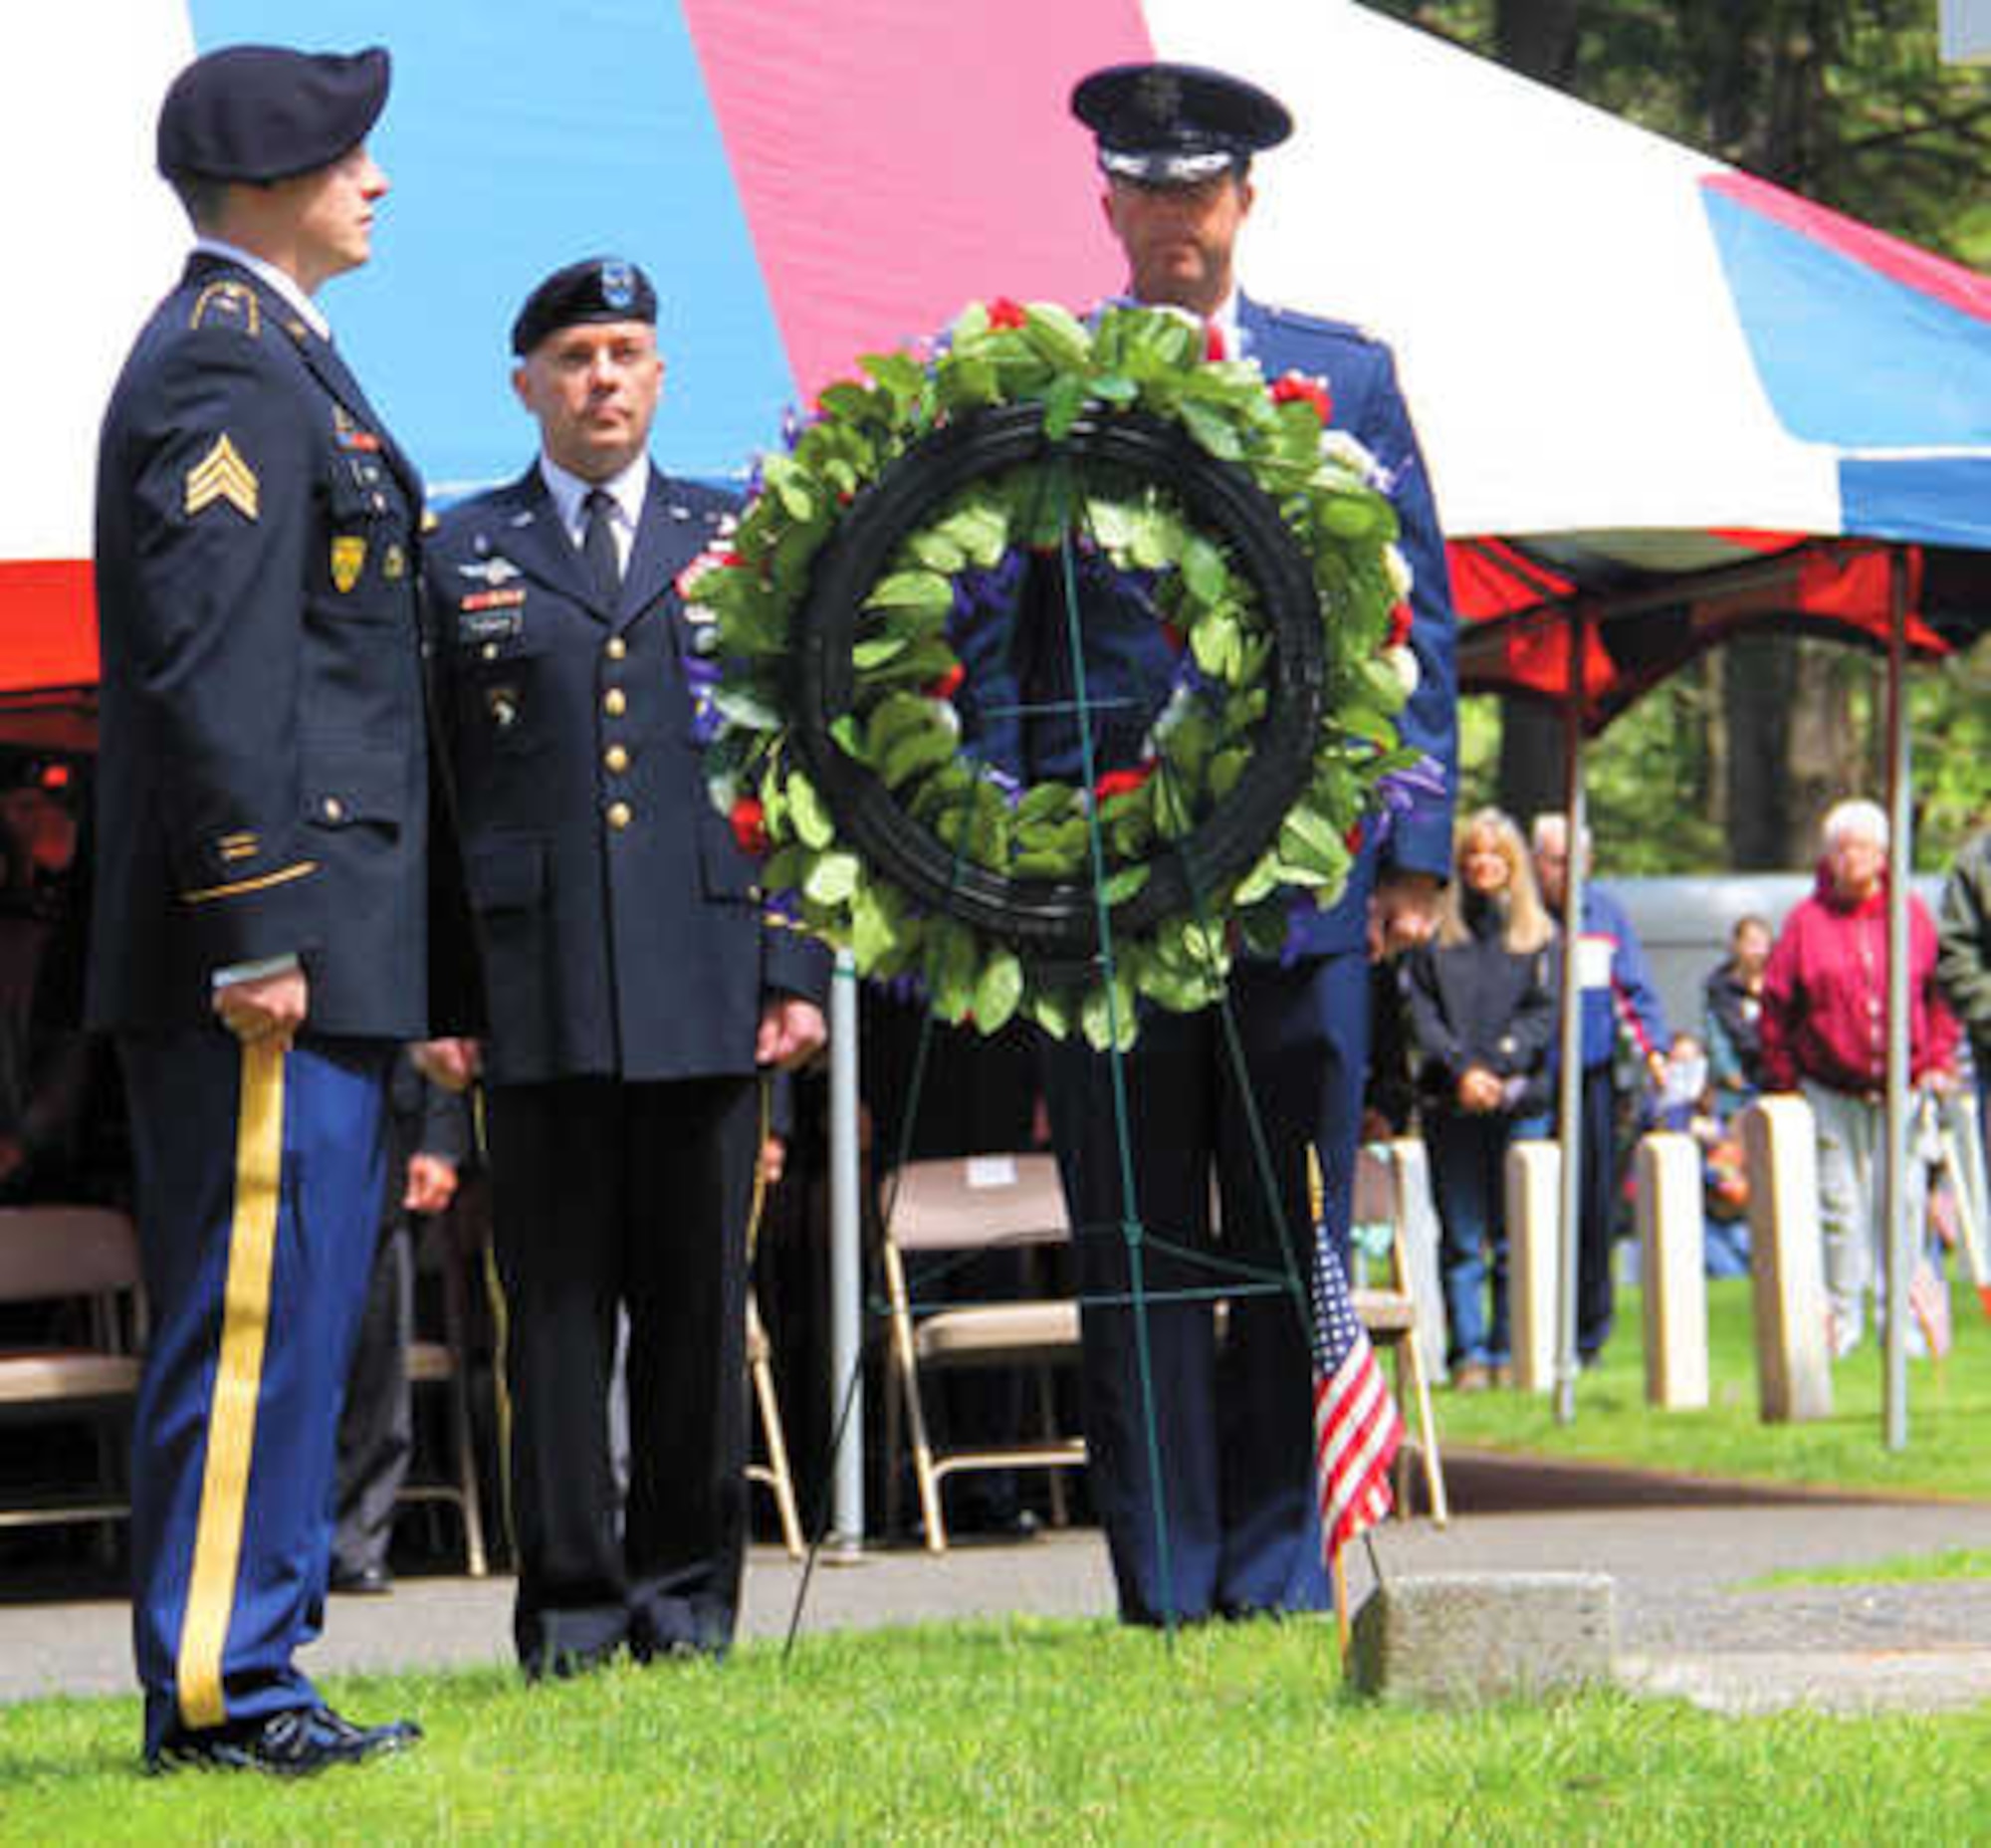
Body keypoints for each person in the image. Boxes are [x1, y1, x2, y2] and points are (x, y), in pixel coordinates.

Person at [1029, 64, 1457, 1626]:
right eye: (1145, 194)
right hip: (1114, 890)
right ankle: (1167, 1577)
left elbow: (1418, 613)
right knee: (1135, 1239)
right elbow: (1012, 642)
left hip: (1303, 891)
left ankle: (1280, 1569)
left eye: (1197, 193)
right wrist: (1020, 851)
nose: (1174, 221)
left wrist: (1413, 843)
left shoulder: (1340, 380)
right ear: (1110, 210)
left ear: (1243, 205)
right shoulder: (1048, 386)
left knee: (1292, 1222)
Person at [91, 44, 476, 1773]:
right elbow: (210, 669)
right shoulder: (226, 373)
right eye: (353, 154)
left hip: (331, 935)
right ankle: (219, 1691)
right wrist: (252, 918)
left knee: (301, 1306)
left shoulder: (275, 362)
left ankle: (259, 1662)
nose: (376, 181)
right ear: (273, 179)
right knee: (252, 1307)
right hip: (273, 942)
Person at [422, 258, 828, 1677]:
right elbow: (434, 789)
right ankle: (576, 1616)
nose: (604, 377)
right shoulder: (459, 550)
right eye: (577, 356)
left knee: (698, 1321)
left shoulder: (744, 541)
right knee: (554, 1325)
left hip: (710, 980)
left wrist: (797, 966)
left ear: (662, 378)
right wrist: (440, 997)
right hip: (529, 1001)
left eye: (629, 352)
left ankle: (686, 1607)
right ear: (527, 382)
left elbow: (802, 772)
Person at [1760, 800, 1960, 1357]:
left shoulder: (1911, 914)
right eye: (1843, 848)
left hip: (1904, 1085)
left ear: (1883, 854)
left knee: (1902, 1203)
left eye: (1864, 848)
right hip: (1830, 1088)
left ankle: (1900, 1325)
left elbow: (1941, 993)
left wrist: (1938, 1059)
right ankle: (1841, 1322)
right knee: (1840, 1207)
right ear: (1829, 856)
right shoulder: (1807, 921)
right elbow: (1777, 1006)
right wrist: (1785, 1080)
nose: (1853, 859)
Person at [1401, 809, 1555, 1391]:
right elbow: (1422, 1016)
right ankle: (1468, 1356)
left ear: (1513, 864)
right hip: (1452, 1101)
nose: (1483, 864)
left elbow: (1545, 1015)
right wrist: (1463, 1071)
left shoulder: (1540, 938)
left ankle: (1511, 1350)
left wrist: (1501, 1067)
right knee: (1463, 1239)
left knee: (1515, 1237)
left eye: (1495, 855)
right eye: (1473, 854)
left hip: (1519, 1103)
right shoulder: (1434, 935)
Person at [331, 1051, 472, 1595]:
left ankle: (356, 1539)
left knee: (376, 1356)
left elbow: (428, 1006)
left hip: (384, 1127)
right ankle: (280, 1543)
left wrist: (440, 1142)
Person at [1529, 813, 1667, 1364]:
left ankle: (1590, 1334)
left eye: (1576, 862)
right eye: (1557, 861)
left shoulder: (1603, 913)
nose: (1568, 873)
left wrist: (1654, 1051)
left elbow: (1632, 991)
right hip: (1530, 1078)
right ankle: (1524, 1332)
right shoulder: (1518, 913)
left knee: (1593, 1208)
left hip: (1590, 1079)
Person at [1704, 913, 1773, 1118]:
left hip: (1772, 1080)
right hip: (1735, 1088)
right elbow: (1715, 1036)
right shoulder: (1719, 988)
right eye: (1752, 943)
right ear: (1736, 945)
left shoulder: (1778, 983)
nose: (1758, 951)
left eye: (1763, 944)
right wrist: (1729, 1072)